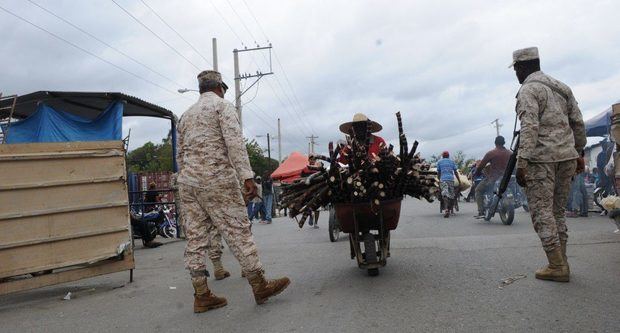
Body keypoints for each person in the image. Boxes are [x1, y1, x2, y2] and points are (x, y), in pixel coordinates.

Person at [176, 70, 289, 313]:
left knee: (195, 238)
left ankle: (201, 294)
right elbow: (235, 144)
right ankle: (259, 285)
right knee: (239, 231)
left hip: (188, 183)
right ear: (220, 87)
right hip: (217, 179)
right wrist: (247, 177)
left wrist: (188, 180)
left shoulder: (185, 116)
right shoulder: (223, 107)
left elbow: (180, 155)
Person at [511, 47, 586, 282]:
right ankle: (561, 262)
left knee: (542, 212)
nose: (516, 74)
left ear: (521, 67)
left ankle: (556, 266)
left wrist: (522, 162)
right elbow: (578, 122)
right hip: (566, 158)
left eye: (515, 69)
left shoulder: (528, 90)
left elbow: (530, 127)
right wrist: (579, 151)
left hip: (540, 160)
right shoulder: (562, 87)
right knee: (557, 212)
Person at [473, 136, 512, 218]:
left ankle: (481, 211)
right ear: (504, 143)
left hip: (494, 179)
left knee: (478, 190)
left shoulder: (491, 153)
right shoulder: (510, 153)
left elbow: (481, 166)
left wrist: (477, 173)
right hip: (508, 179)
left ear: (495, 143)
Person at [436, 151, 460, 218]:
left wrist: (438, 180)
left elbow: (439, 172)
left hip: (443, 180)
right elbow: (455, 172)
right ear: (448, 156)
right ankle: (449, 209)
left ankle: (446, 209)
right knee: (452, 195)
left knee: (445, 194)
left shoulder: (439, 162)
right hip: (451, 180)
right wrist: (459, 181)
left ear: (443, 156)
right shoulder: (452, 162)